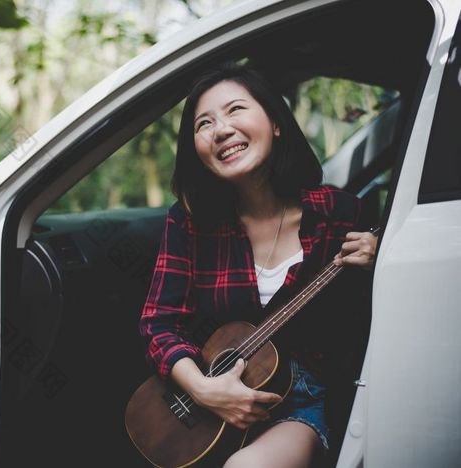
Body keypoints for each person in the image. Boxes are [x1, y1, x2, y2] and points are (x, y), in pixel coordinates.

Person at [139, 63, 378, 468]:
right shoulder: (189, 223)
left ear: (276, 123)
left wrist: (380, 263)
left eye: (235, 110)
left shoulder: (339, 213)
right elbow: (158, 323)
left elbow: (376, 322)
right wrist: (202, 389)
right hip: (206, 401)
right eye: (204, 123)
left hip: (302, 402)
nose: (221, 130)